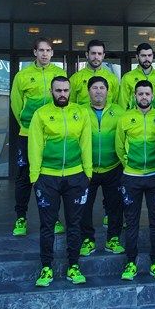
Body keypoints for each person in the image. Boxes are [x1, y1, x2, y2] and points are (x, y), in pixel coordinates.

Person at [27, 76, 92, 287]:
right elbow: (35, 146)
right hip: (47, 177)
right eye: (58, 90)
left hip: (75, 176)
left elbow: (86, 143)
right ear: (51, 91)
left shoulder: (81, 112)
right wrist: (34, 176)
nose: (62, 94)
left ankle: (74, 266)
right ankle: (46, 268)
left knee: (74, 225)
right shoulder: (41, 114)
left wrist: (87, 172)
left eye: (65, 90)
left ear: (70, 91)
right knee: (47, 226)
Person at [9, 37, 67, 237]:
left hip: (53, 134)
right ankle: (21, 217)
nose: (45, 54)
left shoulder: (59, 74)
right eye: (41, 50)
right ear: (34, 52)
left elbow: (65, 101)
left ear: (52, 53)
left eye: (48, 50)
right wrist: (27, 124)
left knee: (52, 176)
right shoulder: (23, 76)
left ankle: (55, 218)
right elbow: (16, 104)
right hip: (27, 134)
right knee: (24, 176)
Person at [115, 80, 155, 281]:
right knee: (131, 222)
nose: (144, 97)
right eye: (140, 94)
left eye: (147, 94)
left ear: (153, 96)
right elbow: (119, 146)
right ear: (134, 96)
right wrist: (129, 163)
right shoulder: (125, 118)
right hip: (131, 177)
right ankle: (130, 263)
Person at [79, 76, 126, 257]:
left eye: (102, 88)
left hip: (113, 167)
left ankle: (113, 239)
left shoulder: (119, 111)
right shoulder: (80, 111)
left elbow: (125, 137)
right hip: (87, 169)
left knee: (115, 206)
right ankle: (87, 240)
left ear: (108, 91)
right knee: (84, 207)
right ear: (88, 91)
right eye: (94, 88)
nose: (98, 91)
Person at [119, 42, 155, 111]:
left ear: (153, 56)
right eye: (143, 55)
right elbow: (122, 103)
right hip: (134, 118)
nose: (147, 58)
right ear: (137, 57)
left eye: (149, 55)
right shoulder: (127, 77)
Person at [69, 39, 119, 106]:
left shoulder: (112, 78)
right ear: (87, 55)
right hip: (83, 116)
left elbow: (116, 104)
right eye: (93, 53)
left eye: (99, 54)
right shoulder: (75, 78)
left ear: (103, 56)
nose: (96, 57)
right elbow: (70, 105)